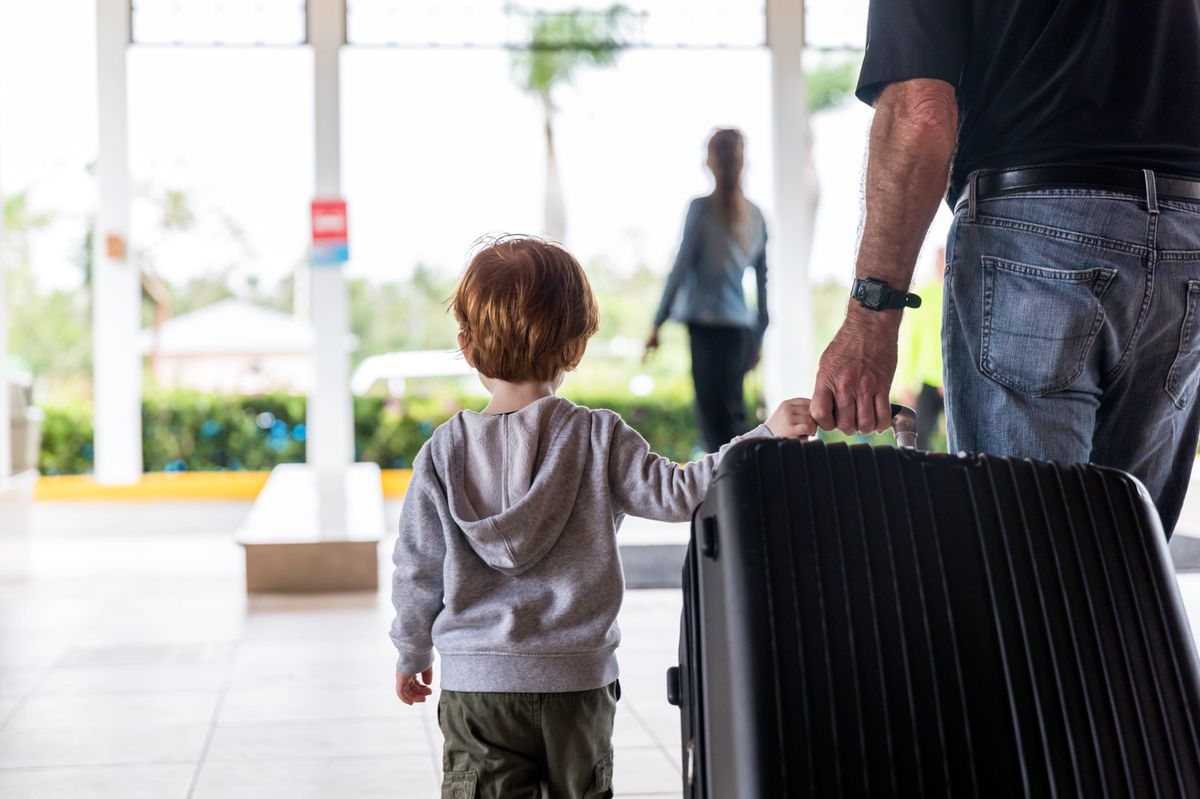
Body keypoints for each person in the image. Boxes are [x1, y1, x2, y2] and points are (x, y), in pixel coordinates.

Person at [390, 236, 815, 798]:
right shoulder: (598, 436)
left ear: (468, 347)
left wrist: (411, 649)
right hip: (578, 682)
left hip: (478, 685)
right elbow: (678, 492)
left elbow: (417, 566)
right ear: (575, 347)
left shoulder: (442, 453)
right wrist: (762, 436)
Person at [811, 1, 1200, 534]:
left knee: (1021, 571)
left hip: (1031, 236)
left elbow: (919, 111)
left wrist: (870, 320)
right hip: (1189, 236)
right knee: (1125, 571)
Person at [645, 128, 769, 452]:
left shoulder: (700, 208)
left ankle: (730, 499)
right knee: (734, 420)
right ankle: (743, 495)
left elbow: (680, 268)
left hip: (706, 328)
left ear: (710, 162)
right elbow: (763, 283)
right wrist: (758, 336)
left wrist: (656, 323)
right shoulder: (756, 215)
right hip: (741, 331)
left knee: (714, 426)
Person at [894, 248, 946, 450]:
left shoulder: (964, 294)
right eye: (939, 260)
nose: (942, 265)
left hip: (953, 381)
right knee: (919, 435)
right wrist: (905, 384)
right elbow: (909, 340)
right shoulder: (922, 295)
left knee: (962, 436)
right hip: (927, 381)